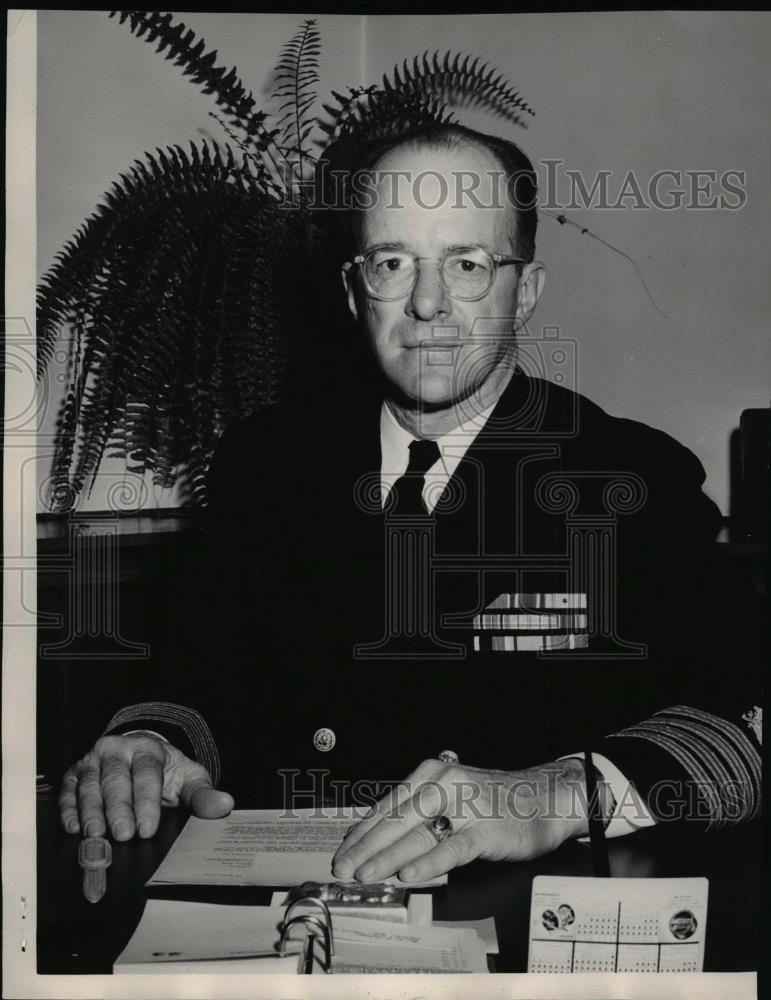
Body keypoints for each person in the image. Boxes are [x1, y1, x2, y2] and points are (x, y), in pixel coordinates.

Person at [58, 123, 762, 884]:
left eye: (466, 264)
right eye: (394, 263)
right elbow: (194, 681)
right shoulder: (266, 466)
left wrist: (557, 795)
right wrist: (153, 743)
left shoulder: (631, 478)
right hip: (285, 915)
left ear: (523, 292)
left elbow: (741, 726)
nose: (427, 304)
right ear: (355, 291)